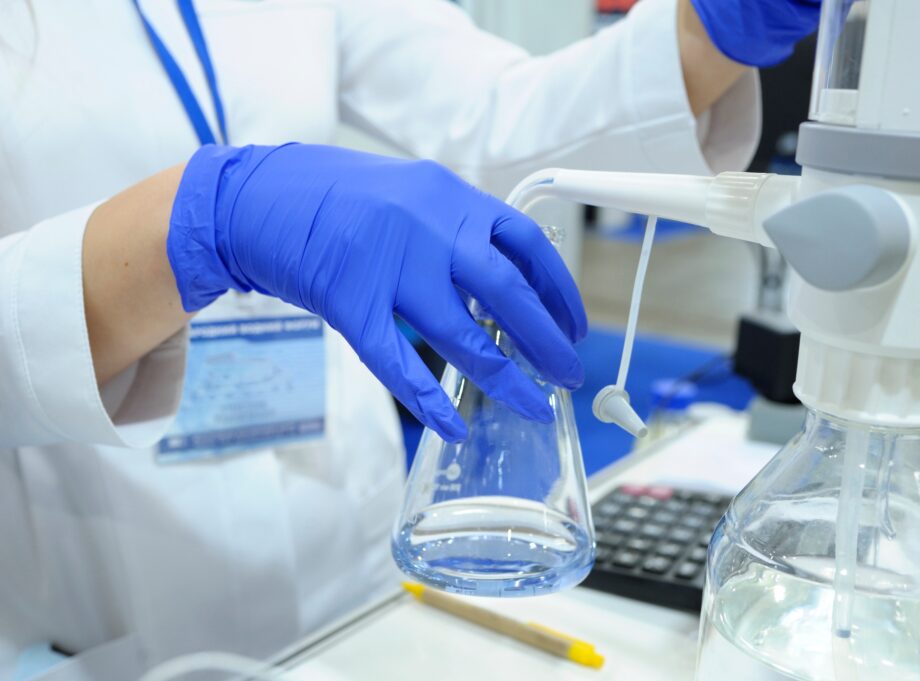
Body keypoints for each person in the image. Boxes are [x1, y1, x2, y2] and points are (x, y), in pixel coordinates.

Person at [0, 0, 820, 677]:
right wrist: (201, 221)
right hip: (92, 576)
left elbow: (497, 120)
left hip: (347, 562)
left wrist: (700, 34)